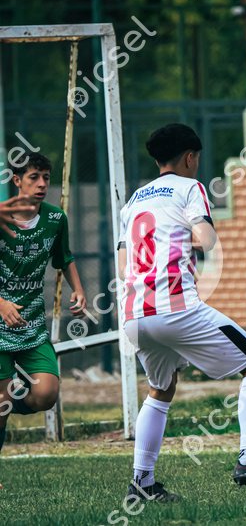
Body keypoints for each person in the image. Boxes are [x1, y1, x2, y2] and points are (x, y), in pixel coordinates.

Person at [119, 124, 246, 502]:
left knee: (161, 389)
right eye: (197, 159)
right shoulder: (190, 188)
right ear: (190, 157)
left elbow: (124, 266)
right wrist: (184, 236)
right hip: (175, 308)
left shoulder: (132, 202)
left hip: (135, 314)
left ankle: (142, 482)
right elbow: (207, 239)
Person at [0, 154, 86, 486]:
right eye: (33, 177)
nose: (41, 184)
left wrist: (79, 291)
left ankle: (7, 400)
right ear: (16, 180)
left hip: (32, 326)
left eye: (46, 177)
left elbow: (64, 257)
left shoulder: (55, 218)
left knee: (46, 394)